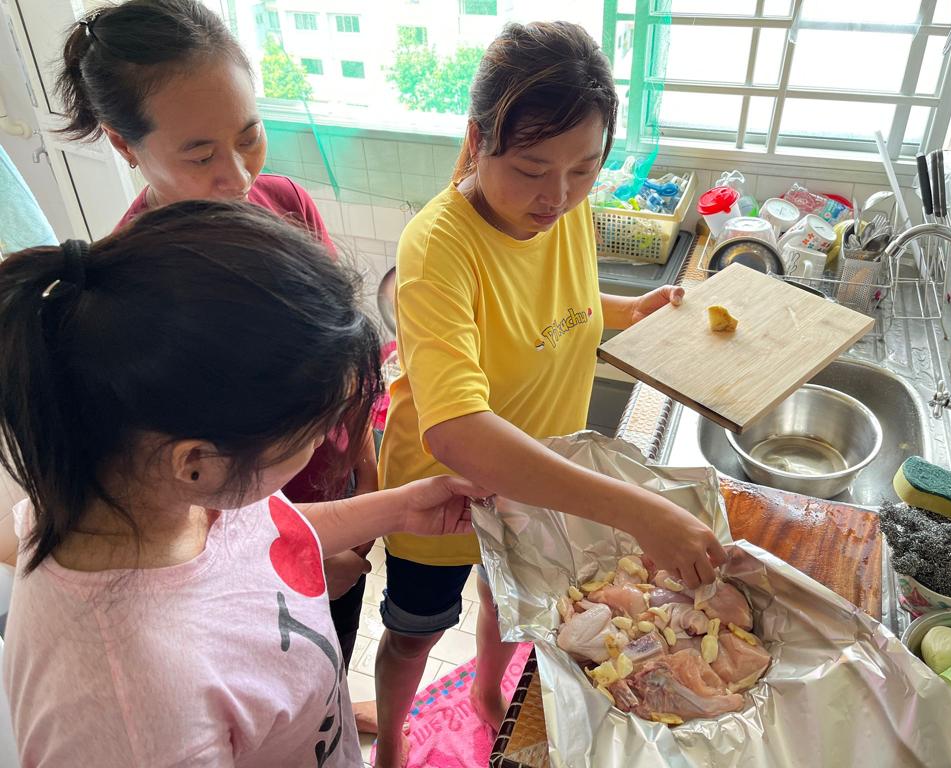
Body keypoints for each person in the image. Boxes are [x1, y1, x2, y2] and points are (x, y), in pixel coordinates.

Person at [0, 200, 488, 767]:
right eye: (310, 434)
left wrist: (401, 510)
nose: (321, 444)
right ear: (196, 462)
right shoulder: (134, 713)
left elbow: (260, 532)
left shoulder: (151, 490)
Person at [373, 21, 727, 767]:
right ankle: (395, 741)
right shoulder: (438, 247)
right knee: (414, 631)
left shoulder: (565, 210)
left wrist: (629, 315)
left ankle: (485, 694)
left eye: (584, 169)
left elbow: (562, 310)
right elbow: (458, 430)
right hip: (438, 493)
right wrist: (640, 510)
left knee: (512, 605)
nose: (557, 196)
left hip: (535, 485)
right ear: (476, 141)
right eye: (532, 168)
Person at [55, 0, 381, 730]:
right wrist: (288, 561)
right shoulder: (136, 297)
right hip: (249, 551)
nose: (237, 175)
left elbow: (342, 358)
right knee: (275, 669)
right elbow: (169, 491)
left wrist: (363, 456)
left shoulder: (285, 202)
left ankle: (332, 700)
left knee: (333, 637)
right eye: (200, 153)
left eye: (250, 135)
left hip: (333, 491)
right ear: (123, 144)